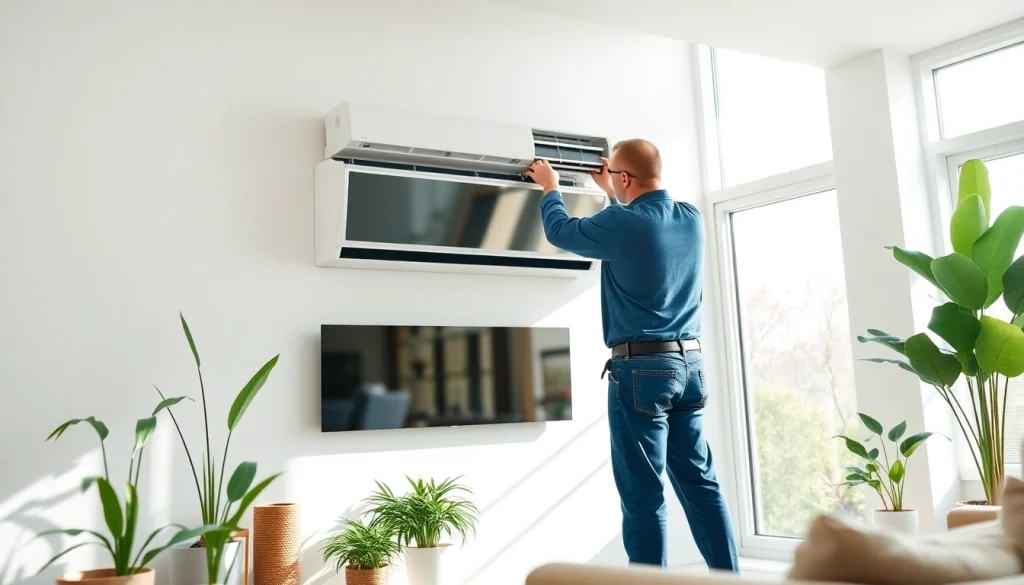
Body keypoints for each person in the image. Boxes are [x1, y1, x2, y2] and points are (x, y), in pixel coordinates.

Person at [525, 140, 739, 571]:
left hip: (642, 372)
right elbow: (638, 226)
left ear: (624, 178)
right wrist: (611, 191)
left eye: (616, 179)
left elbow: (561, 232)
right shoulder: (691, 218)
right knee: (700, 483)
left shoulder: (622, 222)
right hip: (691, 368)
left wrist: (549, 187)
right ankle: (730, 578)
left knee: (643, 495)